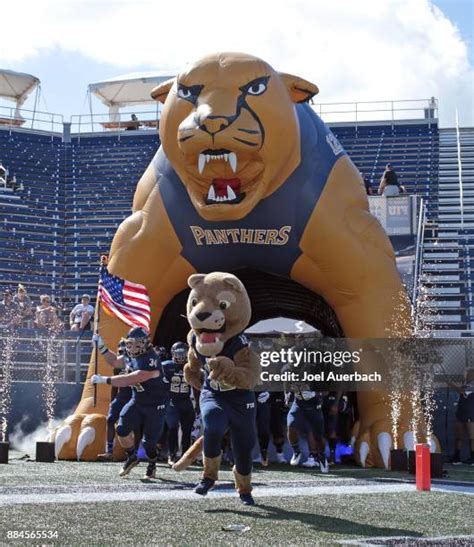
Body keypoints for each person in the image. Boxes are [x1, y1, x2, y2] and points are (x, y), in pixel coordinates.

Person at [92, 327, 170, 480]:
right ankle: (132, 457)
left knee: (149, 444)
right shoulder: (129, 354)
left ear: (146, 343)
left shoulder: (150, 358)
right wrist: (101, 346)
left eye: (137, 344)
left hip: (156, 405)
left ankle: (152, 464)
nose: (133, 348)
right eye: (130, 344)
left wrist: (104, 380)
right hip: (138, 400)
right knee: (121, 429)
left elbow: (134, 378)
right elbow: (114, 361)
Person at [96, 339, 133, 462]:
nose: (122, 353)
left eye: (124, 350)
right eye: (121, 351)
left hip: (135, 395)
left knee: (137, 424)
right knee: (110, 419)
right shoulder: (119, 364)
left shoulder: (137, 362)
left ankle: (138, 451)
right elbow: (115, 383)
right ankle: (109, 451)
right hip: (122, 395)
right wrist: (113, 400)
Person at [162, 342, 196, 465]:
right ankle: (171, 455)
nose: (181, 357)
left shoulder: (191, 366)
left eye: (183, 354)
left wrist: (197, 403)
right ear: (172, 354)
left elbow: (197, 386)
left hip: (186, 401)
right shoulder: (167, 366)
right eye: (178, 354)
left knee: (187, 430)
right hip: (172, 401)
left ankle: (185, 456)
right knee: (173, 426)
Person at [450, 368, 474, 465]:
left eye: (468, 374)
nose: (466, 375)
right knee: (458, 436)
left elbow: (462, 392)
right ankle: (457, 457)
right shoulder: (465, 384)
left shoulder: (471, 386)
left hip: (471, 414)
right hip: (461, 414)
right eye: (465, 373)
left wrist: (451, 384)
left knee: (472, 437)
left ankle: (473, 458)